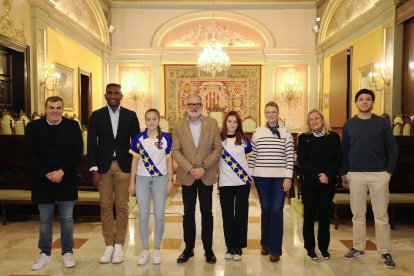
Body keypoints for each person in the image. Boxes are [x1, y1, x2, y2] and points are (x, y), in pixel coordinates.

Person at [341, 89, 399, 269]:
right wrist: (344, 173)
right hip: (355, 175)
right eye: (361, 99)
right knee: (358, 214)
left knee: (381, 215)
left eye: (368, 99)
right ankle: (358, 247)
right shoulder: (349, 124)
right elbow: (344, 151)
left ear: (372, 102)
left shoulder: (381, 123)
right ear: (356, 103)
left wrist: (388, 173)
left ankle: (385, 251)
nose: (365, 102)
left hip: (378, 175)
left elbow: (393, 149)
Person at [25, 96, 83, 271]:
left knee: (66, 218)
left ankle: (67, 252)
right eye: (52, 107)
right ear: (45, 109)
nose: (55, 111)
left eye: (58, 108)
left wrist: (62, 171)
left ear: (63, 109)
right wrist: (46, 173)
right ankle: (45, 254)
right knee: (45, 219)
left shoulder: (72, 127)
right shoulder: (33, 127)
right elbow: (29, 153)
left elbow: (77, 152)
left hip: (66, 178)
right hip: (42, 180)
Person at [87, 83, 140, 264]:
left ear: (121, 95)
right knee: (105, 206)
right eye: (109, 93)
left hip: (124, 167)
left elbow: (136, 146)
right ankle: (108, 245)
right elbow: (91, 144)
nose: (113, 96)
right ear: (105, 95)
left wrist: (135, 171)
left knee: (123, 207)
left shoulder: (130, 116)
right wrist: (93, 169)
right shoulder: (96, 116)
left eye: (116, 93)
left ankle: (119, 245)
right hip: (103, 168)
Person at [172, 93, 222, 264]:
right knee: (188, 213)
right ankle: (189, 248)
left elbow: (217, 148)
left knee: (207, 213)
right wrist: (190, 169)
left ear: (202, 105)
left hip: (206, 175)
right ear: (186, 106)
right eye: (191, 104)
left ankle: (208, 249)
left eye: (197, 104)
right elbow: (175, 151)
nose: (194, 107)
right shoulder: (178, 125)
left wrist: (203, 167)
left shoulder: (212, 123)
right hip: (187, 176)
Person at [248, 101, 294, 262]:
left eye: (273, 112)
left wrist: (288, 176)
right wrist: (251, 175)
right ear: (265, 114)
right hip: (261, 178)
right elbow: (252, 155)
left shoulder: (286, 132)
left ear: (278, 113)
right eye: (268, 112)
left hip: (280, 178)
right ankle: (265, 243)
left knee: (276, 210)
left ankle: (275, 249)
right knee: (266, 209)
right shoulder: (258, 132)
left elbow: (290, 155)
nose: (271, 115)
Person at [128, 108, 174, 265]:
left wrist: (170, 180)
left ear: (158, 120)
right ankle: (145, 250)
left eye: (154, 119)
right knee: (144, 215)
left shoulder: (166, 138)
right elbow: (134, 161)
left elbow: (169, 160)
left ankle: (157, 250)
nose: (151, 122)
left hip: (160, 179)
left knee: (159, 215)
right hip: (142, 180)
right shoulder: (138, 138)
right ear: (145, 121)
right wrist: (131, 182)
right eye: (148, 119)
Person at [297, 109, 341, 261]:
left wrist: (327, 174)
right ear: (308, 123)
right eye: (311, 119)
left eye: (317, 118)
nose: (314, 121)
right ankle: (310, 248)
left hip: (327, 183)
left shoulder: (334, 137)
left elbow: (338, 159)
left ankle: (323, 248)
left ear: (323, 120)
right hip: (309, 182)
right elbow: (303, 161)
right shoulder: (303, 138)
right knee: (309, 216)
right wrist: (318, 175)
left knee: (324, 216)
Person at [219, 111, 252, 261]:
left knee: (241, 215)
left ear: (239, 124)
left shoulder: (244, 140)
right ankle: (229, 246)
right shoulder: (219, 140)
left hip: (242, 182)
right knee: (227, 215)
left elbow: (250, 160)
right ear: (225, 123)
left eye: (235, 122)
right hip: (225, 183)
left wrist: (250, 177)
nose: (232, 124)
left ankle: (238, 246)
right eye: (229, 121)